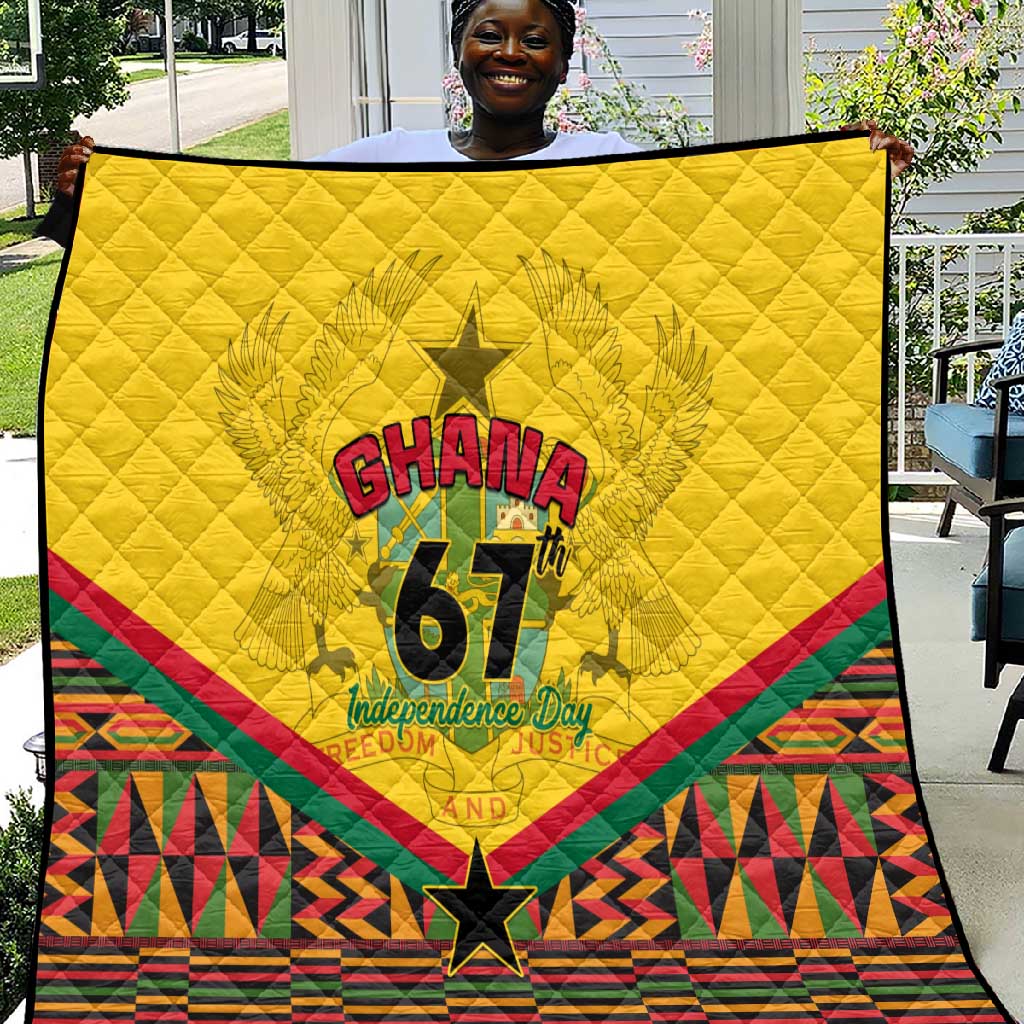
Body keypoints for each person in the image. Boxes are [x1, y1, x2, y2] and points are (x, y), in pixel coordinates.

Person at [39, 0, 914, 246]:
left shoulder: (615, 163)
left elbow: (731, 227)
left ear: (563, 64)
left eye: (537, 39)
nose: (511, 52)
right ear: (459, 51)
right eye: (488, 34)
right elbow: (248, 224)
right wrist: (107, 197)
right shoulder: (387, 158)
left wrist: (835, 178)